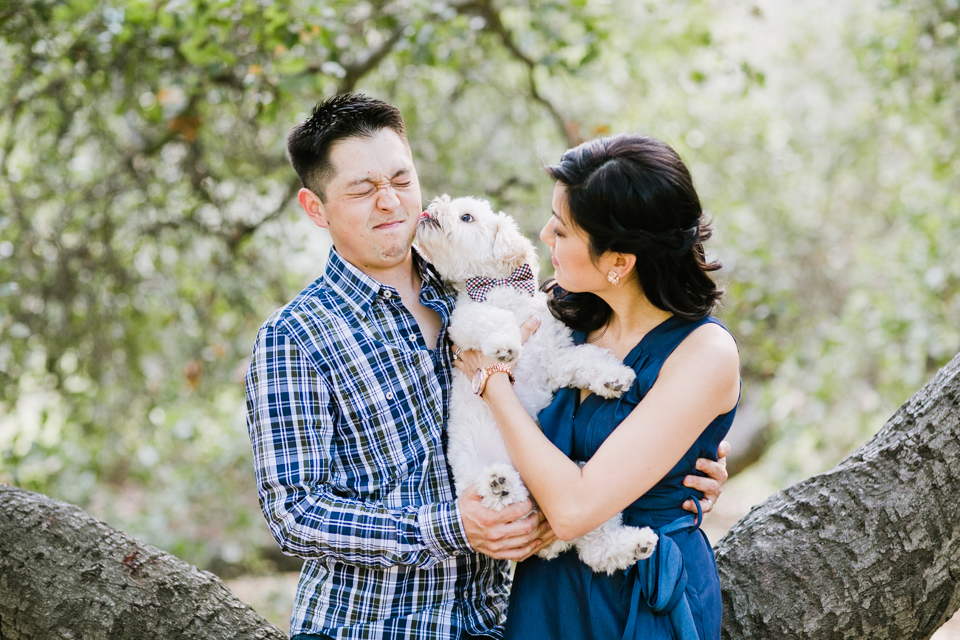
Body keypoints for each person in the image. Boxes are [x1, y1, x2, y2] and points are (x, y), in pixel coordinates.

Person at [245, 93, 731, 640]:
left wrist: (666, 478)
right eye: (362, 189)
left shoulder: (476, 293)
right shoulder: (297, 337)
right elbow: (293, 513)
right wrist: (451, 528)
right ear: (316, 207)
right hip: (370, 626)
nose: (391, 203)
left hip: (495, 621)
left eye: (401, 180)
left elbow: (576, 421)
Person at [453, 133, 740, 640]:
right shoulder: (565, 320)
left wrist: (491, 381)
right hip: (547, 593)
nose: (543, 236)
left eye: (562, 231)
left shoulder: (704, 353)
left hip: (638, 599)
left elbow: (573, 509)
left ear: (618, 261)